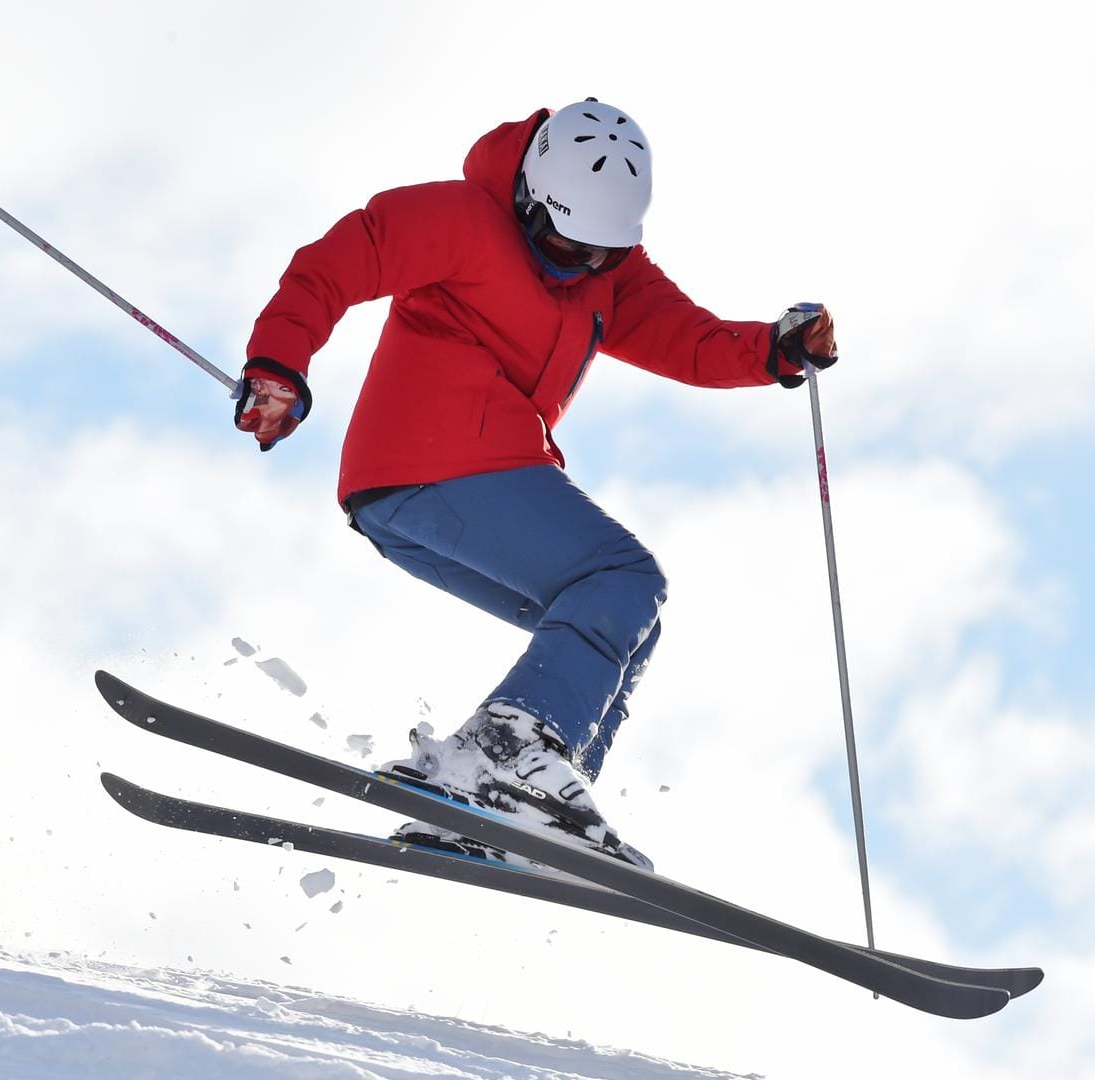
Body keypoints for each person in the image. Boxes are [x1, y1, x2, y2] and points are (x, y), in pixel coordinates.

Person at [235, 99, 837, 870]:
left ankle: (519, 804)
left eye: (598, 253)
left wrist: (775, 350)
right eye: (559, 242)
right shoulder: (461, 218)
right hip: (436, 458)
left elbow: (686, 339)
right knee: (622, 577)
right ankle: (508, 755)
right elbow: (338, 261)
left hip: (429, 496)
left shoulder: (607, 275)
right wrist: (278, 364)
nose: (576, 265)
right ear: (528, 201)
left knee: (626, 624)